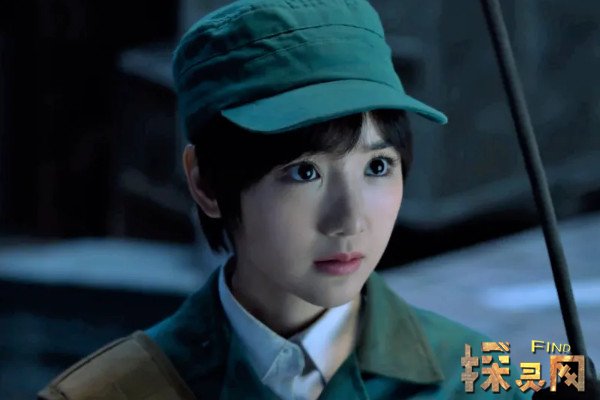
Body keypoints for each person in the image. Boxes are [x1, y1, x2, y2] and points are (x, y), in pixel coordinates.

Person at [38, 0, 531, 398]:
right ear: (206, 184)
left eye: (377, 167)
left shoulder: (479, 383)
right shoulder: (111, 392)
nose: (350, 220)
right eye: (304, 172)